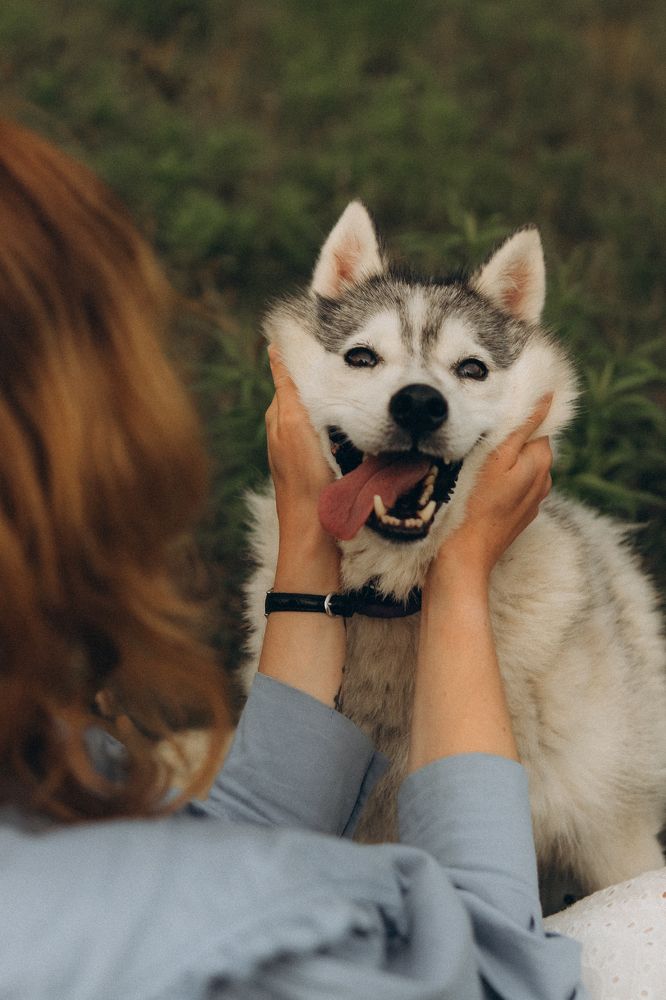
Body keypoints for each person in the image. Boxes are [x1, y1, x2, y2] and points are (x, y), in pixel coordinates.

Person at [0, 117, 590, 999]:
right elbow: (496, 974)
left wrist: (313, 537)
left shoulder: (39, 777)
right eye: (142, 351)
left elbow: (232, 850)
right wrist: (461, 578)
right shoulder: (120, 932)